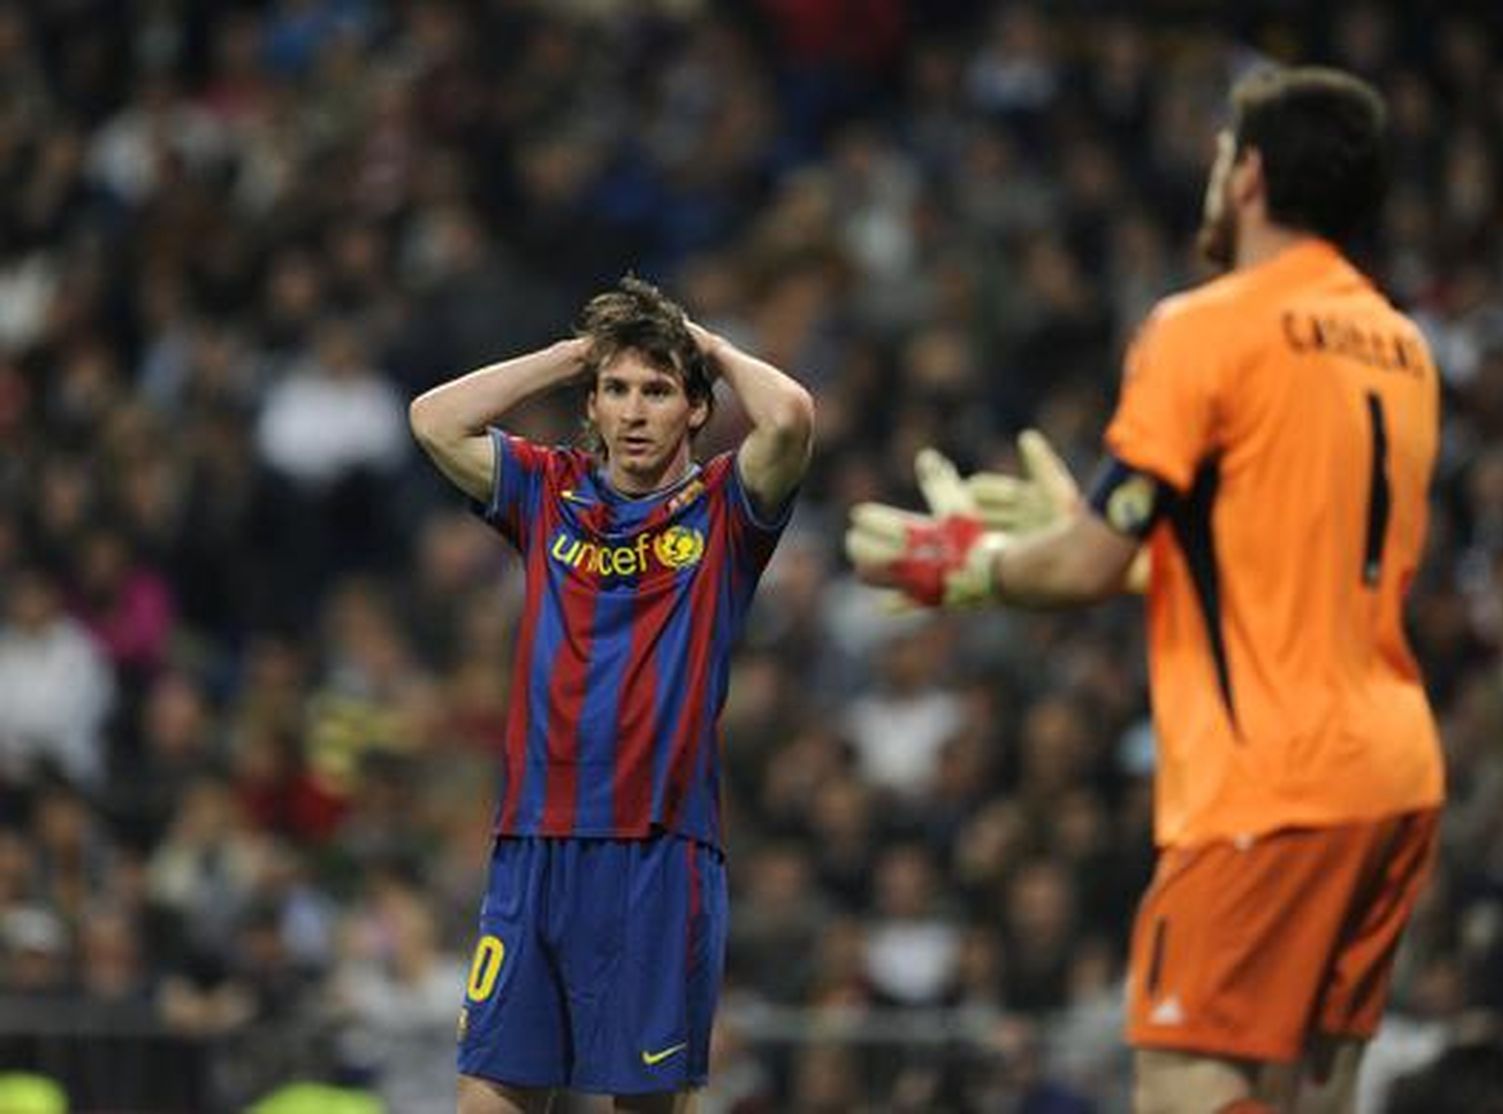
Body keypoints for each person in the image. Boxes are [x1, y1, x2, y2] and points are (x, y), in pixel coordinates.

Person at [847, 67, 1444, 1114]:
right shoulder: (1400, 345)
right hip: (1391, 772)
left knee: (1182, 1086)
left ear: (1249, 176)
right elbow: (1262, 559)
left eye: (1221, 158)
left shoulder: (1203, 327)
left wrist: (975, 569)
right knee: (1312, 1091)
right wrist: (1103, 538)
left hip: (1266, 779)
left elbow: (1079, 569)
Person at [409, 276, 814, 1114]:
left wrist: (711, 346)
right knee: (486, 1098)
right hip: (533, 842)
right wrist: (571, 356)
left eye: (659, 391)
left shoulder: (724, 512)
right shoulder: (546, 491)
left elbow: (791, 417)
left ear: (696, 409)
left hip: (657, 852)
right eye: (617, 389)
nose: (634, 412)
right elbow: (432, 418)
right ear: (591, 403)